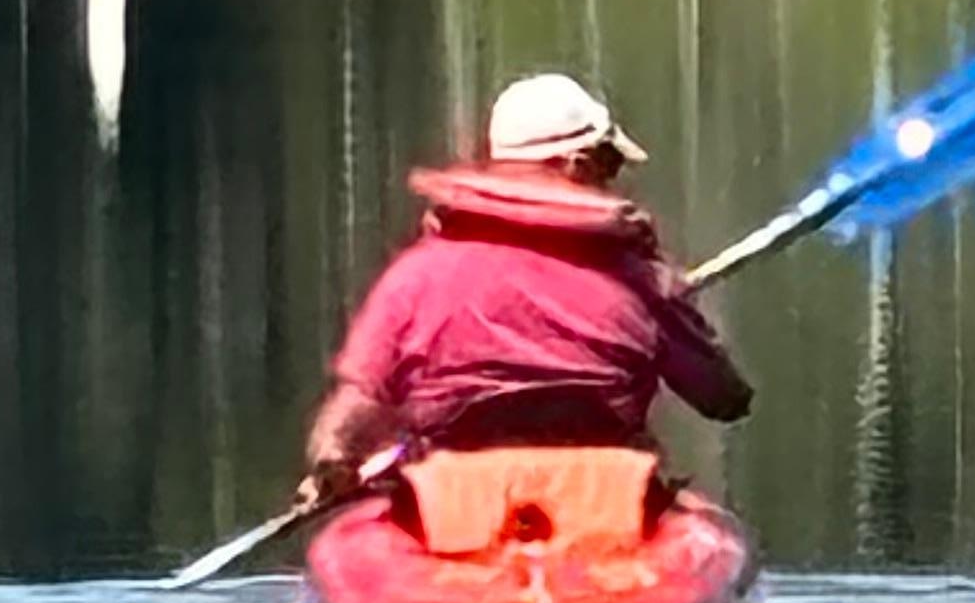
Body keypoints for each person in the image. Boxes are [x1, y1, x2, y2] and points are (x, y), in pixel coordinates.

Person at [296, 70, 751, 504]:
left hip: (452, 503)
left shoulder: (417, 275)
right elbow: (724, 398)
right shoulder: (640, 278)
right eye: (609, 162)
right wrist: (676, 313)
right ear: (577, 164)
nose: (613, 178)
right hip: (602, 504)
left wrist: (333, 460)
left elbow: (357, 400)